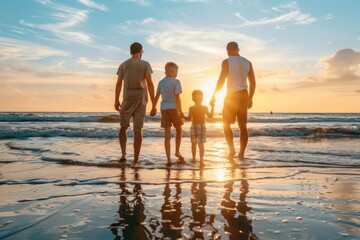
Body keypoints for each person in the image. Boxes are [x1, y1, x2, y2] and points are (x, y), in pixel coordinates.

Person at [210, 41, 256, 161]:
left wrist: (214, 94)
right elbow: (253, 82)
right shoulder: (248, 62)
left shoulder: (227, 62)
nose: (228, 54)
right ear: (238, 49)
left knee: (226, 124)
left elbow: (221, 80)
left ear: (229, 50)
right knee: (243, 126)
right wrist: (250, 97)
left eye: (228, 51)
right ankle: (241, 153)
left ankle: (231, 150)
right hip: (244, 95)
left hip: (232, 95)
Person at [114, 42, 155, 164]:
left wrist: (116, 99)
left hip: (127, 98)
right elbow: (150, 83)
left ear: (130, 52)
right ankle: (136, 159)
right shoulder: (145, 64)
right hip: (141, 99)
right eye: (142, 51)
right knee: (138, 130)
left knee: (123, 127)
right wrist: (154, 104)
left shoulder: (123, 65)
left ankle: (123, 154)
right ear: (140, 51)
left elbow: (119, 83)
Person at [150, 62, 185, 166]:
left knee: (167, 134)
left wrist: (153, 108)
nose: (177, 74)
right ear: (173, 71)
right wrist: (180, 110)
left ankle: (168, 159)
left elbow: (156, 96)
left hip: (164, 109)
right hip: (174, 108)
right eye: (176, 72)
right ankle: (177, 151)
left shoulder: (161, 82)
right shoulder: (176, 82)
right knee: (178, 129)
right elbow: (178, 98)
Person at [183, 90, 214, 166]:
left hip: (200, 126)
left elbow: (210, 116)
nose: (197, 97)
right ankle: (196, 159)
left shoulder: (203, 108)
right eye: (195, 96)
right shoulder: (192, 108)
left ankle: (200, 160)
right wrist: (182, 116)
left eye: (198, 95)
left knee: (199, 144)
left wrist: (212, 106)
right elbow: (189, 118)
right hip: (195, 126)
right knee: (195, 144)